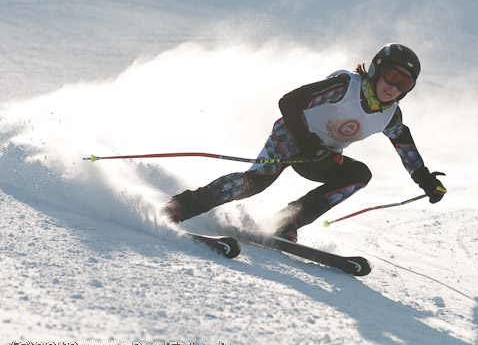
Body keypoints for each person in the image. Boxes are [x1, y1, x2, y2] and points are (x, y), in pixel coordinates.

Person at [161, 43, 446, 242]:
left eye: (404, 84)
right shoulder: (345, 87)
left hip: (320, 158)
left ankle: (287, 222)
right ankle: (180, 207)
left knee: (359, 174)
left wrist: (426, 182)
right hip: (291, 138)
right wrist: (308, 143)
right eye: (393, 76)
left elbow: (405, 148)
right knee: (255, 182)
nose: (394, 87)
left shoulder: (390, 114)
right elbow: (290, 102)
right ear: (376, 69)